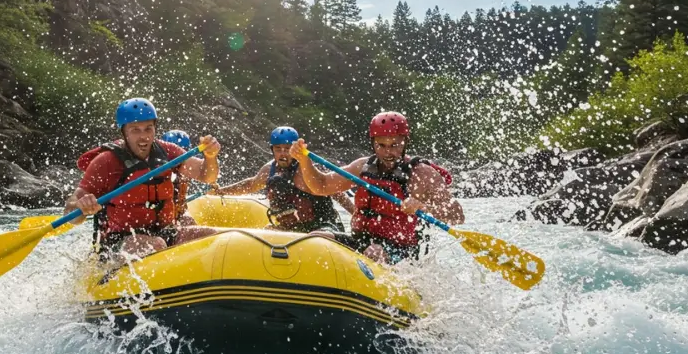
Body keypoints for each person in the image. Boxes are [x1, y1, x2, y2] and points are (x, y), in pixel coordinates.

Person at [288, 111, 464, 264]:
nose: (388, 152)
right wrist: (304, 160)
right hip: (362, 240)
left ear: (405, 142)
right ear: (373, 143)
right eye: (381, 145)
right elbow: (322, 186)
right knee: (316, 238)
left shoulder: (422, 174)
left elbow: (457, 216)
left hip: (403, 252)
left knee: (374, 252)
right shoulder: (362, 167)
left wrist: (422, 206)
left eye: (394, 145)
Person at [66, 99, 221, 258]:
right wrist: (81, 207)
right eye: (135, 130)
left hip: (164, 231)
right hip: (119, 241)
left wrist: (210, 157)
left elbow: (206, 176)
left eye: (148, 129)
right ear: (124, 132)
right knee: (156, 245)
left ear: (155, 128)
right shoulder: (106, 162)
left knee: (212, 237)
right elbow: (71, 213)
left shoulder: (167, 152)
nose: (143, 137)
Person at [212, 126, 355, 233]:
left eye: (287, 149)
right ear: (272, 149)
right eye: (278, 149)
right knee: (265, 231)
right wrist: (220, 191)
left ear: (294, 149)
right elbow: (251, 185)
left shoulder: (308, 169)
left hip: (322, 227)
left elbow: (337, 194)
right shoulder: (269, 170)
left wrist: (356, 215)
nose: (282, 154)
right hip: (290, 229)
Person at [161, 129, 198, 226]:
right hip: (161, 217)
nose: (177, 160)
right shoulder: (158, 170)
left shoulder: (185, 170)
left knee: (189, 221)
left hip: (178, 214)